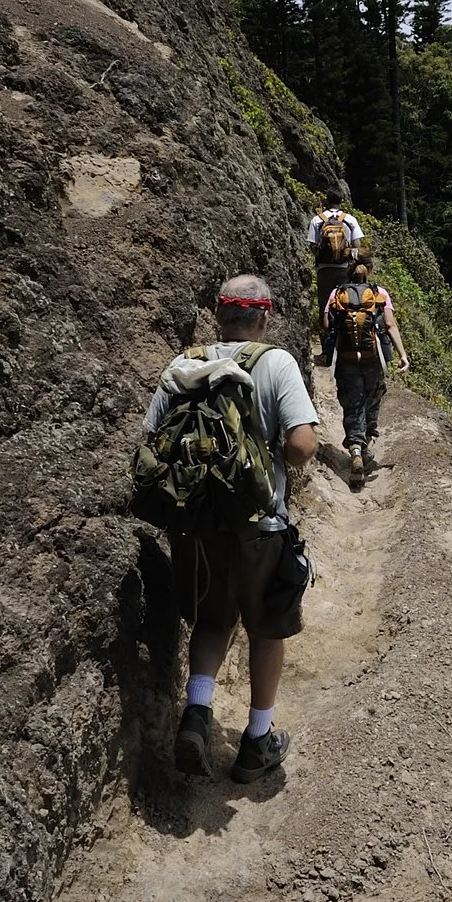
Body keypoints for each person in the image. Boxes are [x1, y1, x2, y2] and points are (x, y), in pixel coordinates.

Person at [139, 274, 320, 783]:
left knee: (213, 620)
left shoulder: (183, 364)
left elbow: (152, 440)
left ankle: (196, 714)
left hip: (195, 524)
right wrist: (267, 465)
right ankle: (257, 742)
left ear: (217, 315)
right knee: (267, 626)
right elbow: (304, 445)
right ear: (263, 317)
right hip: (259, 524)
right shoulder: (274, 362)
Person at [318, 255, 411, 479]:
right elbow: (390, 324)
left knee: (352, 402)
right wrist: (403, 355)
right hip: (373, 358)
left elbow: (326, 323)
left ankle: (356, 449)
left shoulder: (337, 293)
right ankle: (366, 441)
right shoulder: (379, 293)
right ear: (368, 271)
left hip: (346, 357)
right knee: (373, 396)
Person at [307, 189, 366, 331]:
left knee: (325, 304)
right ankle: (345, 337)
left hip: (324, 269)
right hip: (345, 268)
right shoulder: (350, 219)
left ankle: (327, 342)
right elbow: (357, 245)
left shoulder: (317, 219)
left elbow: (313, 245)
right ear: (341, 202)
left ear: (326, 201)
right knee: (346, 302)